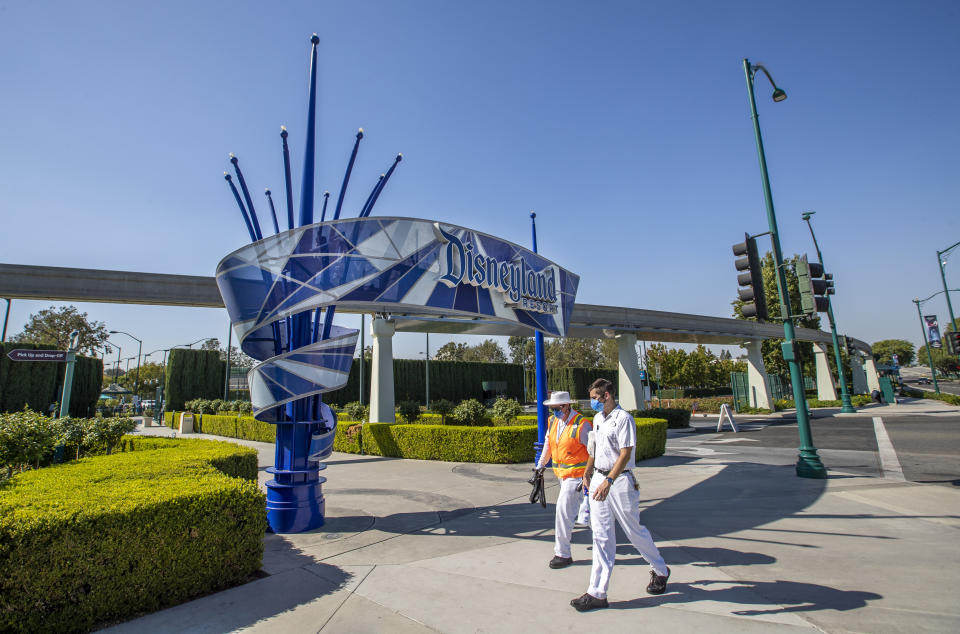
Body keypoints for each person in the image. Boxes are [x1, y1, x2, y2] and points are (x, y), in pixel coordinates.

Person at [571, 378, 670, 612]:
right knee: (601, 536)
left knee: (633, 531)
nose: (593, 402)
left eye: (595, 398)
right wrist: (588, 472)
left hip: (620, 481)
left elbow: (625, 454)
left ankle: (660, 569)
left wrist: (609, 481)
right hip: (599, 478)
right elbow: (593, 450)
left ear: (607, 396)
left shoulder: (623, 419)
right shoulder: (597, 419)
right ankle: (597, 592)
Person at [534, 391, 592, 569]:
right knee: (589, 515)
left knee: (563, 513)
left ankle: (562, 553)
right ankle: (605, 539)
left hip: (577, 478)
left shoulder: (582, 425)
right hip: (562, 477)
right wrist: (540, 467)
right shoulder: (553, 422)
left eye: (557, 409)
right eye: (552, 409)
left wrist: (588, 475)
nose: (554, 412)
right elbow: (549, 444)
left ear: (567, 406)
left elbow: (594, 452)